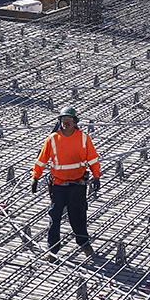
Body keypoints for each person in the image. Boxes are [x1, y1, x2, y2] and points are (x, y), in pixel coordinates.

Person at [32, 105, 101, 256]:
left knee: (78, 216)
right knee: (54, 217)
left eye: (69, 119)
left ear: (75, 121)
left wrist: (96, 176)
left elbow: (93, 159)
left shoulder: (83, 138)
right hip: (59, 185)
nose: (66, 122)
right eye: (63, 119)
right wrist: (35, 177)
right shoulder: (52, 139)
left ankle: (84, 244)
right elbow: (42, 160)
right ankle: (52, 249)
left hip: (77, 185)